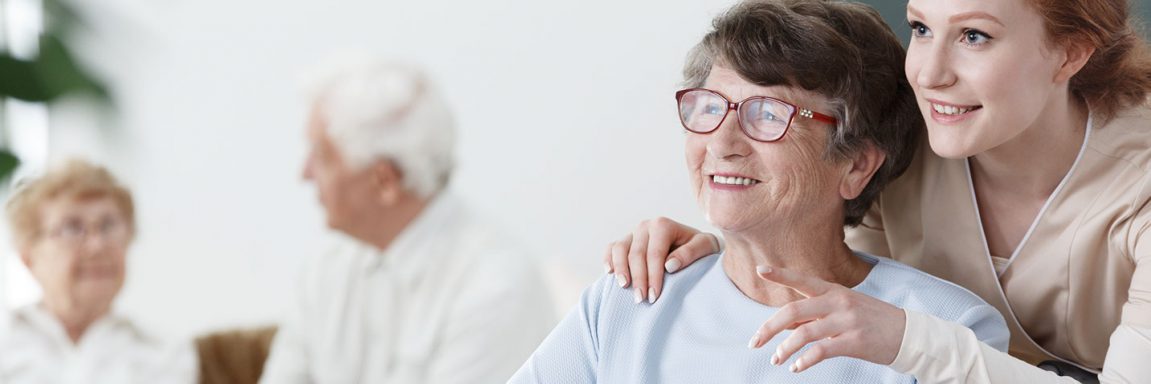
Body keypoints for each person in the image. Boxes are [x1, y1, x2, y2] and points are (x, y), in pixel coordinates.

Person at [606, 0, 1151, 382]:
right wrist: (722, 248)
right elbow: (843, 283)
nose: (930, 73)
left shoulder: (1138, 192)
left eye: (974, 35)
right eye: (920, 28)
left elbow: (889, 327)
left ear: (1069, 53)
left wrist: (909, 340)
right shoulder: (910, 140)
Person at [510, 1, 1009, 382]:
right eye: (710, 106)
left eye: (768, 114)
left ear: (856, 165)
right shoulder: (630, 299)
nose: (722, 144)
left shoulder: (948, 329)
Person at [259, 58, 555, 383]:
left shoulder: (497, 285)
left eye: (323, 156)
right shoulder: (326, 267)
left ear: (385, 181)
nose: (304, 174)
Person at [0, 159, 196, 384]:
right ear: (28, 257)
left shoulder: (165, 355)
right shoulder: (5, 341)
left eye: (108, 225)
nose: (97, 245)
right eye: (72, 228)